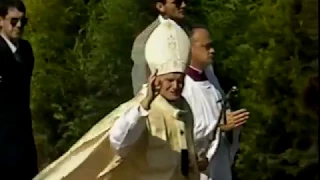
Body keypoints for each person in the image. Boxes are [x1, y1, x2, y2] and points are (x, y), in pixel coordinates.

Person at [33, 18, 200, 180]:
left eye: (180, 80)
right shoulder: (141, 108)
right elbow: (119, 143)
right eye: (170, 80)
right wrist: (144, 106)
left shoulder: (184, 108)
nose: (176, 86)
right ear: (155, 78)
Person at [182, 25, 250, 180]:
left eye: (212, 46)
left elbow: (223, 118)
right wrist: (220, 126)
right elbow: (183, 132)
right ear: (189, 48)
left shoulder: (212, 80)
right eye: (206, 46)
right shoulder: (183, 86)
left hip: (221, 163)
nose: (212, 51)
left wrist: (232, 127)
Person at [0, 0, 38, 179]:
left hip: (23, 131)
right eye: (14, 20)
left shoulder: (26, 51)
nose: (19, 26)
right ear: (1, 20)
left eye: (23, 21)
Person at [131, 0, 187, 95]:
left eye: (185, 1)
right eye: (177, 2)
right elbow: (140, 83)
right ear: (161, 6)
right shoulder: (146, 38)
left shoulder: (191, 33)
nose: (184, 5)